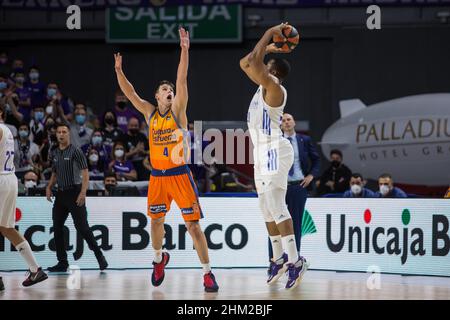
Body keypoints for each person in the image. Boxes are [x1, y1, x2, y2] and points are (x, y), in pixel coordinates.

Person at [114, 27, 219, 292]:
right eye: (164, 89)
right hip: (158, 178)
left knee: (193, 227)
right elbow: (131, 94)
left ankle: (207, 274)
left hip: (180, 175)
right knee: (156, 222)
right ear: (157, 96)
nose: (169, 90)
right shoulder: (150, 113)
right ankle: (159, 260)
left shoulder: (178, 111)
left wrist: (184, 50)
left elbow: (181, 80)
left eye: (170, 89)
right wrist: (119, 72)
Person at [240, 22, 308, 290]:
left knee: (277, 206)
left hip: (274, 150)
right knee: (266, 209)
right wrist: (267, 46)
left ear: (272, 72)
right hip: (261, 152)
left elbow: (252, 62)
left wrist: (269, 32)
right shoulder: (261, 87)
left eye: (266, 64)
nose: (260, 66)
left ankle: (295, 260)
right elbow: (245, 62)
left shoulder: (274, 87)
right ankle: (278, 258)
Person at [45, 123, 108, 272]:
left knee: (82, 228)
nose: (61, 134)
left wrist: (83, 192)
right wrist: (48, 187)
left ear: (69, 134)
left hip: (75, 192)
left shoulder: (76, 151)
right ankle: (62, 262)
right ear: (57, 135)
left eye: (64, 132)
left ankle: (99, 256)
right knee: (57, 228)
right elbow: (54, 173)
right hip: (60, 194)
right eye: (59, 132)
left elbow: (85, 172)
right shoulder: (54, 152)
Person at [0, 104, 48, 290]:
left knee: (6, 227)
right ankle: (35, 269)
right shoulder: (7, 130)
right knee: (6, 228)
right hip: (9, 178)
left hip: (2, 178)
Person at [266, 113, 320, 270]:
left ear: (294, 122)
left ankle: (294, 261)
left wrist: (311, 175)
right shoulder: (275, 141)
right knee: (275, 224)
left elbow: (316, 160)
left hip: (298, 186)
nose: (286, 122)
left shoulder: (305, 140)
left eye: (289, 119)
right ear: (280, 125)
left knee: (295, 224)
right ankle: (275, 261)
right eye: (282, 120)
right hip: (279, 187)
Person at [123, 116, 149, 180]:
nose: (134, 127)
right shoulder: (123, 137)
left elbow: (150, 151)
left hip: (142, 164)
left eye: (136, 126)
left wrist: (144, 152)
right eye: (132, 125)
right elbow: (121, 155)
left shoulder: (142, 136)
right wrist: (135, 151)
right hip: (129, 164)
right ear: (128, 126)